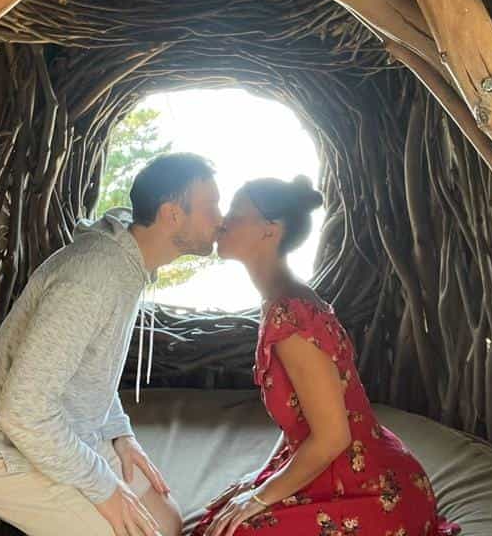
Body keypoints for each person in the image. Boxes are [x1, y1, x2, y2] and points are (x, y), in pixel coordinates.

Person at [0, 152, 223, 536]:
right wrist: (102, 487)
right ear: (172, 214)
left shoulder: (130, 265)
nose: (220, 219)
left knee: (167, 519)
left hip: (69, 434)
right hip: (1, 453)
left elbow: (89, 368)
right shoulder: (93, 278)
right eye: (212, 206)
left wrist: (120, 433)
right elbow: (22, 411)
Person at [195, 176, 459, 536]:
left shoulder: (291, 314)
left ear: (269, 231)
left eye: (237, 213)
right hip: (346, 467)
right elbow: (306, 421)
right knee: (219, 519)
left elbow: (333, 437)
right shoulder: (284, 299)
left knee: (232, 531)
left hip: (373, 490)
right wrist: (259, 482)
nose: (223, 220)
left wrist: (258, 499)